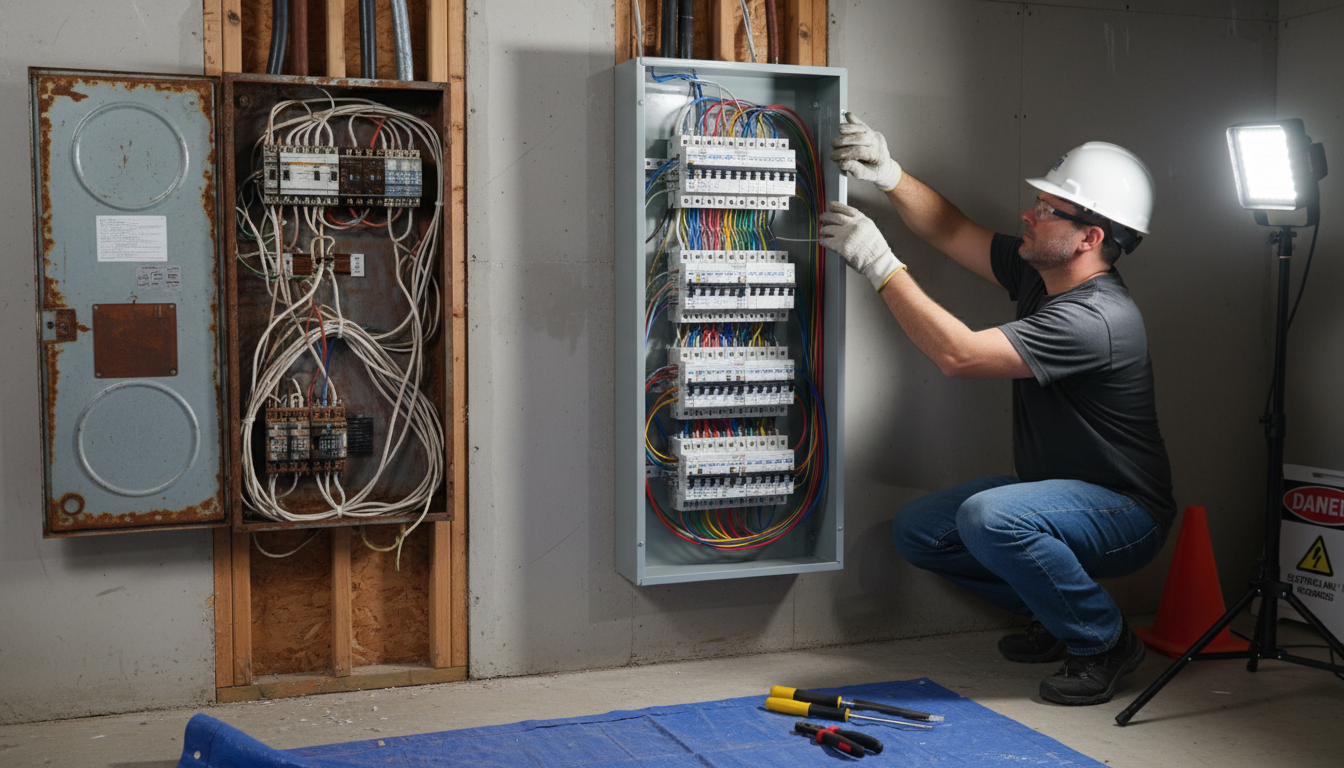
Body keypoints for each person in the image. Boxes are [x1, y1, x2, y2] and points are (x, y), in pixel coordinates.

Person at [819, 113, 1175, 706]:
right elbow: (952, 229)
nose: (1028, 215)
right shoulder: (1043, 271)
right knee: (920, 533)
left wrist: (880, 264)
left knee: (991, 516)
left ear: (1090, 238)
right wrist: (889, 172)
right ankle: (1056, 615)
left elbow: (958, 355)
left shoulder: (1097, 320)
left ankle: (1105, 641)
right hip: (1058, 496)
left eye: (1049, 208)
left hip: (1125, 515)